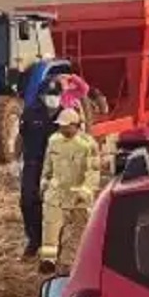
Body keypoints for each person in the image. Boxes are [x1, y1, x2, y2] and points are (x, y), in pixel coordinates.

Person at [38, 109, 101, 274]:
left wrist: (85, 192)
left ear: (75, 125)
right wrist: (44, 183)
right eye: (60, 126)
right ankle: (48, 261)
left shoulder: (88, 144)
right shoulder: (53, 141)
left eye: (66, 126)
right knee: (50, 228)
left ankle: (68, 263)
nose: (63, 129)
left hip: (78, 198)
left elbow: (93, 172)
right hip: (56, 194)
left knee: (78, 232)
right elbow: (48, 166)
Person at [18, 79, 62, 258]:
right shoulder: (30, 113)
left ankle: (52, 245)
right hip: (33, 164)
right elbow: (21, 138)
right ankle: (34, 239)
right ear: (42, 96)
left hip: (56, 167)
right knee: (28, 202)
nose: (52, 99)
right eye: (49, 95)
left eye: (56, 95)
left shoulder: (67, 115)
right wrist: (16, 160)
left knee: (53, 207)